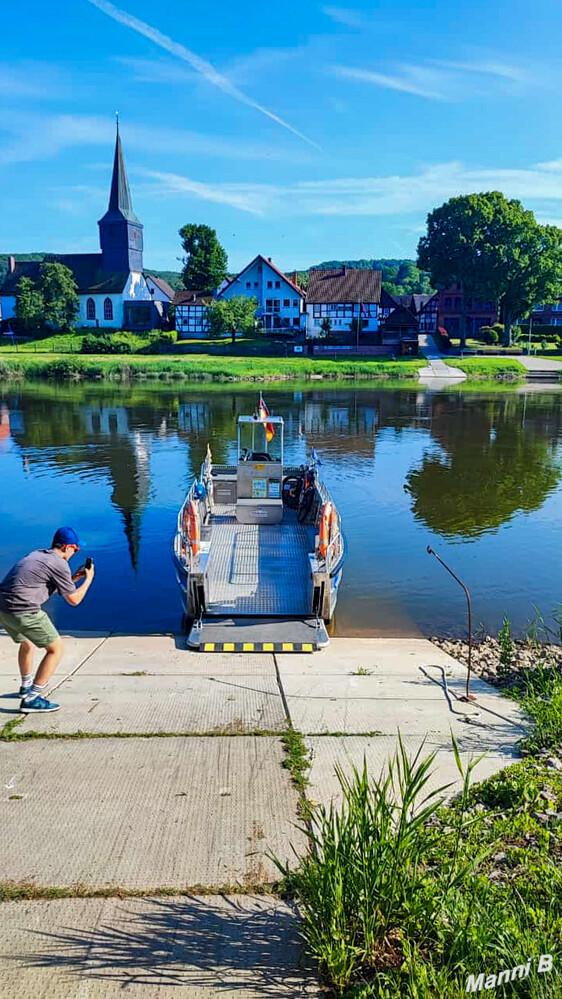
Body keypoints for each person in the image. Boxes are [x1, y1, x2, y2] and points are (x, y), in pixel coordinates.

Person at [0, 527, 95, 714]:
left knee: (27, 641)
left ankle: (26, 687)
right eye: (75, 549)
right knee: (56, 649)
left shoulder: (38, 555)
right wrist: (88, 579)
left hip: (3, 608)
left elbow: (45, 584)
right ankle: (33, 698)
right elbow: (74, 600)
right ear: (67, 547)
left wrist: (74, 577)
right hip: (23, 610)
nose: (76, 553)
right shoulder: (59, 564)